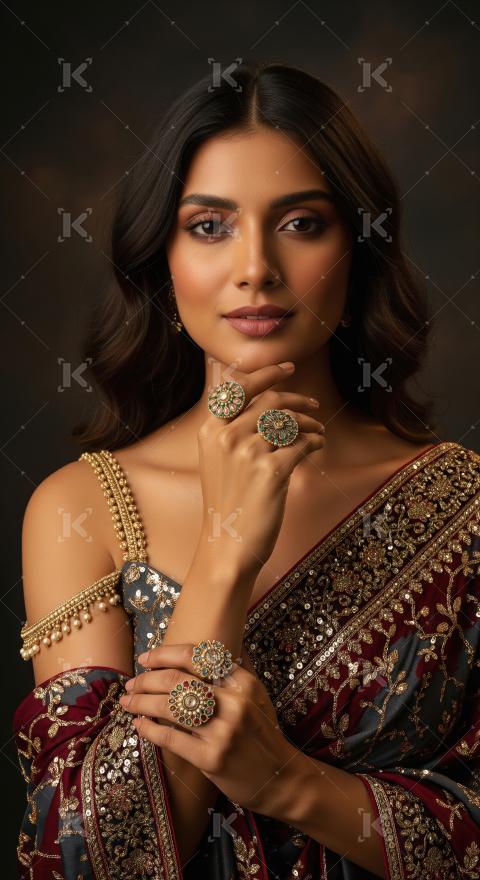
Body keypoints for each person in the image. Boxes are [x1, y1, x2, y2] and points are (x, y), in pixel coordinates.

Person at [13, 61, 480, 879]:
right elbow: (92, 860)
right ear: (161, 254)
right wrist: (226, 555)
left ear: (358, 246)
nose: (255, 266)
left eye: (301, 223)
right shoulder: (81, 508)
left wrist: (287, 783)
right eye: (209, 226)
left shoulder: (464, 505)